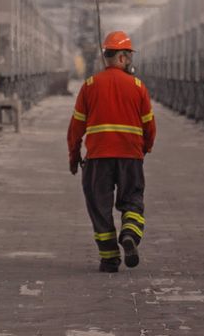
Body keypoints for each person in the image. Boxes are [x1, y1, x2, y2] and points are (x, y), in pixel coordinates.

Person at [67, 31, 156, 273]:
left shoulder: (90, 86)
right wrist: (144, 149)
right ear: (123, 57)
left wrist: (74, 157)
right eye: (128, 56)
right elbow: (150, 126)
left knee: (99, 206)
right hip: (130, 157)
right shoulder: (138, 87)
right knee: (133, 200)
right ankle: (129, 234)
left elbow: (76, 128)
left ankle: (109, 259)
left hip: (98, 158)